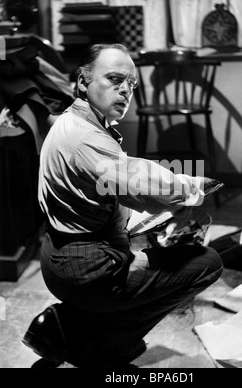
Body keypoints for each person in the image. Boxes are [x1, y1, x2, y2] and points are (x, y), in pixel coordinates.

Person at [22, 43, 223, 368]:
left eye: (131, 84)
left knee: (154, 234)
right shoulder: (85, 138)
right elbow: (152, 185)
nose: (125, 90)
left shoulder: (78, 122)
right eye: (115, 79)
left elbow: (118, 182)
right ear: (83, 81)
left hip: (62, 253)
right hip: (85, 269)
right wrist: (195, 187)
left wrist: (149, 216)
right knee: (207, 263)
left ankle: (76, 325)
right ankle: (94, 344)